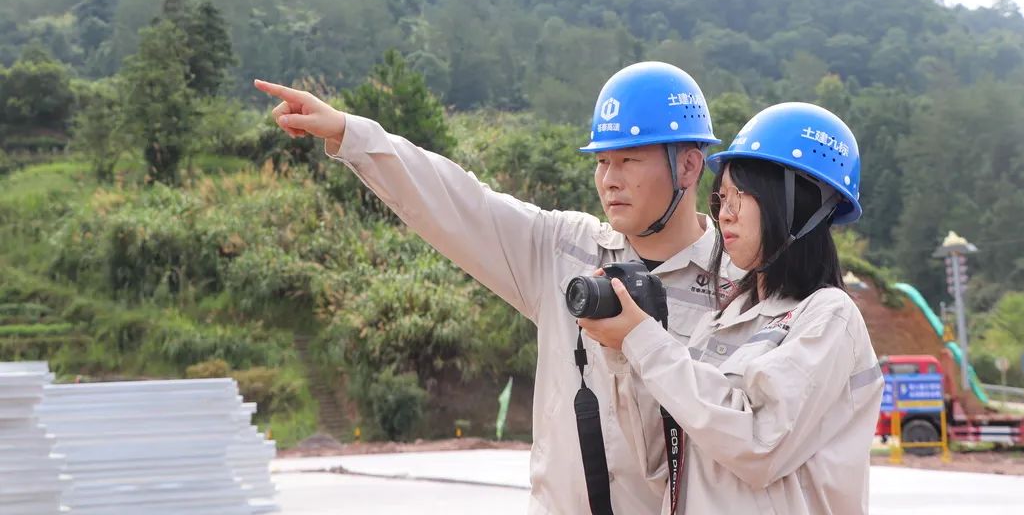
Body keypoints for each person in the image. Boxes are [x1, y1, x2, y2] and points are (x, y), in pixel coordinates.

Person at [255, 61, 737, 514]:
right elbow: (459, 202)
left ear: (689, 166)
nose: (609, 180)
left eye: (628, 159)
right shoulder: (563, 250)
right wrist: (349, 133)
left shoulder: (740, 288)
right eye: (602, 161)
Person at [580, 102, 884, 514]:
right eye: (721, 198)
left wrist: (644, 341)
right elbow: (661, 466)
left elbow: (760, 444)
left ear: (800, 206)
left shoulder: (829, 317)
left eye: (742, 196)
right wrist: (623, 352)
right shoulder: (721, 320)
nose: (725, 214)